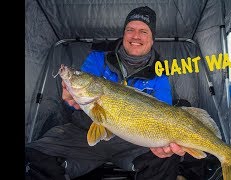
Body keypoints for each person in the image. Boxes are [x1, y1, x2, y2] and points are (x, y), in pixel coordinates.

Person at [26, 6, 187, 180]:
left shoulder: (160, 74)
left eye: (143, 31)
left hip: (132, 142)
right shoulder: (98, 57)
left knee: (168, 158)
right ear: (124, 33)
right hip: (83, 134)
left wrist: (165, 143)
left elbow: (164, 114)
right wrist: (71, 99)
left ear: (152, 39)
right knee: (34, 156)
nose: (135, 36)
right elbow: (77, 97)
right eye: (130, 30)